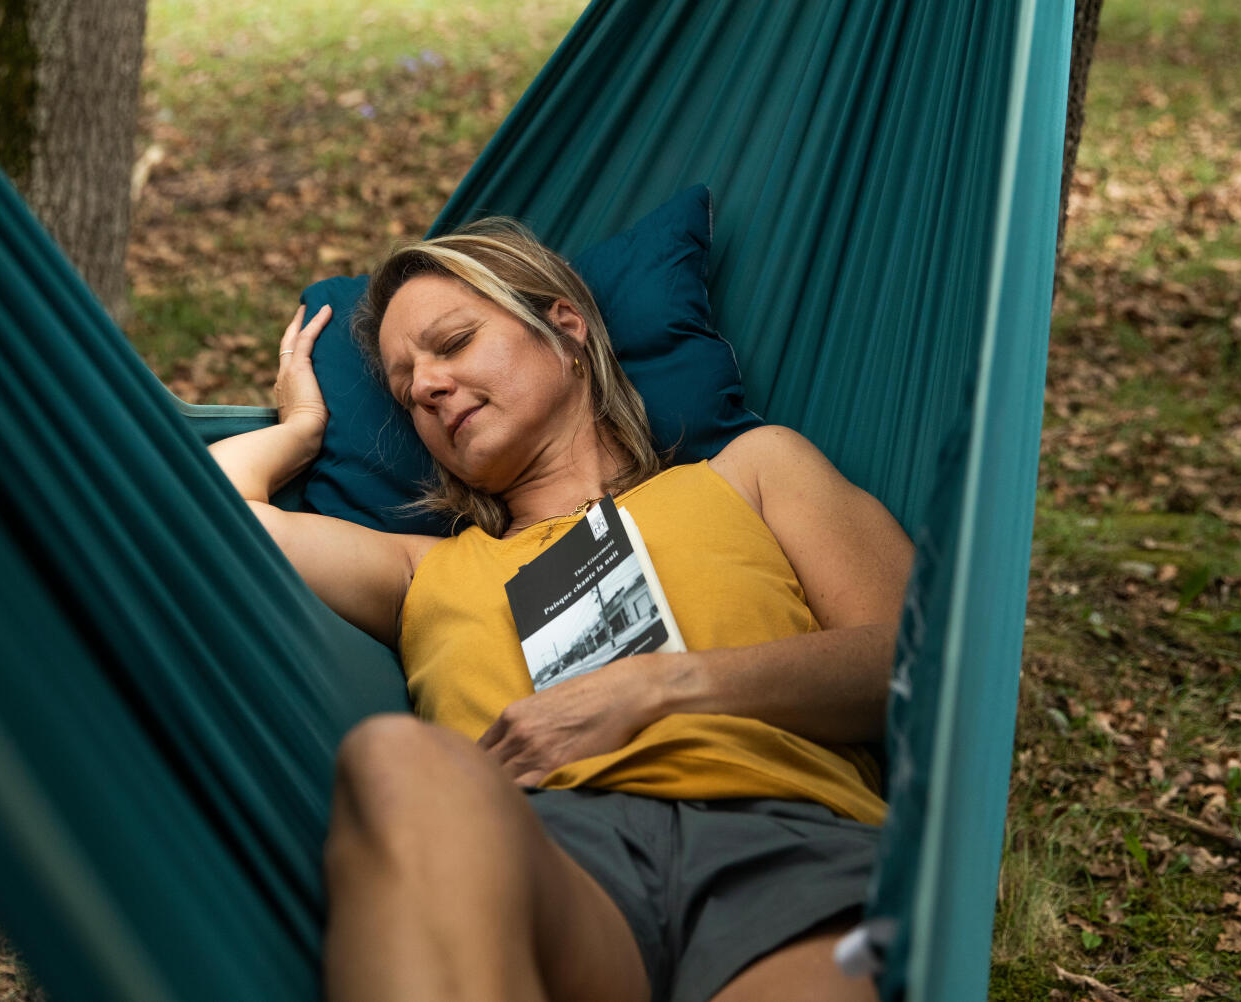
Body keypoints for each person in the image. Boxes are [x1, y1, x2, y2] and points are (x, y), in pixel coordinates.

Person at [207, 219, 913, 1002]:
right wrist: (301, 430)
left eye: (454, 342)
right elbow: (207, 515)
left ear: (565, 329)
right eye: (408, 391)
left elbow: (924, 667)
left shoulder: (750, 473)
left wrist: (660, 688)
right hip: (550, 869)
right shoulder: (425, 569)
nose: (430, 387)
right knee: (393, 760)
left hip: (787, 848)